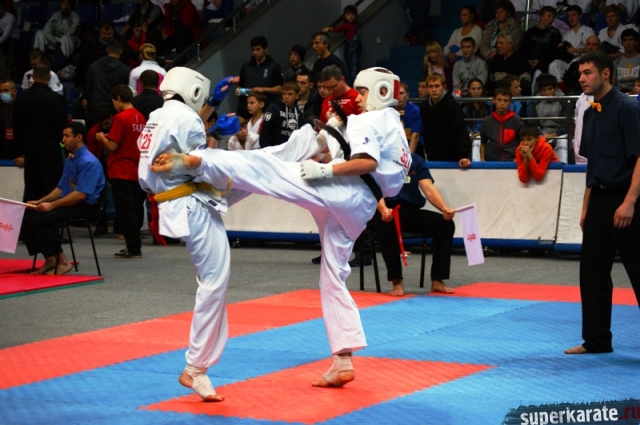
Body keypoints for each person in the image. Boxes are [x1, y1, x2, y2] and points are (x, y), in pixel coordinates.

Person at [150, 67, 411, 391]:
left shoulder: (369, 119)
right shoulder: (397, 128)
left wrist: (325, 170)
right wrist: (330, 138)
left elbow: (367, 163)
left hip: (342, 190)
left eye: (362, 92)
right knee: (333, 275)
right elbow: (378, 173)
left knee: (267, 168)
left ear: (381, 92)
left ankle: (200, 162)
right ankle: (343, 359)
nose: (358, 98)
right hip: (361, 207)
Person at [564, 50, 640, 355]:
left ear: (606, 73)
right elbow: (592, 163)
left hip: (628, 196)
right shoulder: (589, 112)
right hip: (599, 197)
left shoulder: (628, 108)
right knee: (592, 272)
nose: (581, 78)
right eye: (580, 73)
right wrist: (586, 206)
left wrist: (630, 201)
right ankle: (596, 340)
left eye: (588, 73)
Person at [21, 121, 105, 275]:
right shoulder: (70, 159)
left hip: (85, 207)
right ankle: (50, 258)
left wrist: (52, 205)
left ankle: (63, 262)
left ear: (78, 137)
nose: (63, 140)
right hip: (72, 203)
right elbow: (61, 189)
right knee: (27, 215)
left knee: (40, 220)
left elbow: (80, 194)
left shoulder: (89, 162)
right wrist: (41, 201)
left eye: (67, 136)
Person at [372, 152, 456, 296]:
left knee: (444, 224)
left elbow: (428, 188)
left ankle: (437, 280)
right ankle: (396, 281)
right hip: (383, 210)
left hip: (410, 210)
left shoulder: (415, 160)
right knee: (386, 226)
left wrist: (444, 208)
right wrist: (384, 210)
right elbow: (373, 190)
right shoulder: (376, 159)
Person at [95, 84, 147, 259]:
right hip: (137, 168)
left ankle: (133, 247)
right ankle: (135, 244)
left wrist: (102, 138)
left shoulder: (120, 117)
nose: (114, 106)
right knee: (134, 208)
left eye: (114, 102)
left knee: (125, 211)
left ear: (118, 98)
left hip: (121, 169)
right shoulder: (141, 117)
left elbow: (113, 145)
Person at [14, 64, 68, 203]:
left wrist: (19, 152)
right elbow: (61, 126)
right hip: (50, 147)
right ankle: (50, 215)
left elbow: (17, 127)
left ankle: (30, 215)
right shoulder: (55, 98)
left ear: (32, 77)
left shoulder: (22, 98)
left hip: (29, 146)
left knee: (32, 186)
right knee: (52, 185)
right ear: (49, 77)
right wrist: (64, 147)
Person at [420, 74, 472, 168]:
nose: (434, 90)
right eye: (431, 86)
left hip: (453, 157)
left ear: (444, 87)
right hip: (433, 156)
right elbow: (426, 132)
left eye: (437, 86)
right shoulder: (424, 106)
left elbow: (460, 131)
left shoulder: (452, 105)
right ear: (427, 88)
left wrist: (464, 155)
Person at [236, 36, 283, 119]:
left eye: (258, 49)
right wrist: (240, 91)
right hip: (245, 110)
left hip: (265, 110)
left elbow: (280, 89)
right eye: (253, 49)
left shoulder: (273, 66)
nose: (255, 52)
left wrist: (263, 89)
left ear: (265, 49)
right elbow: (239, 86)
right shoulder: (246, 67)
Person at [84, 40, 131, 123]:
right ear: (121, 51)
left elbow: (88, 89)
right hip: (115, 109)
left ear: (107, 50)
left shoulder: (94, 66)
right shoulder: (125, 70)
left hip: (96, 107)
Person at [530, 73, 570, 162]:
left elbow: (566, 124)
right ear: (540, 91)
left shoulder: (564, 101)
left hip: (560, 133)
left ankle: (562, 166)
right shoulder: (536, 102)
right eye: (544, 90)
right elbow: (533, 123)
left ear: (556, 88)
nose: (547, 93)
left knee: (563, 142)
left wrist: (555, 134)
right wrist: (541, 134)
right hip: (541, 133)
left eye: (550, 89)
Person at [480, 85, 524, 161]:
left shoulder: (516, 120)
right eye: (499, 100)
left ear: (510, 102)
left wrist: (517, 158)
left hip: (512, 161)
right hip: (491, 161)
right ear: (493, 100)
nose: (502, 103)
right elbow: (483, 143)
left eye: (505, 100)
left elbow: (523, 142)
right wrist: (482, 160)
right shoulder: (487, 121)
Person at [323, 4, 361, 85]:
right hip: (350, 47)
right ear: (344, 16)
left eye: (352, 14)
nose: (350, 16)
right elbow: (337, 29)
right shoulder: (345, 25)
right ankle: (353, 84)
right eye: (348, 14)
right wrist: (329, 28)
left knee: (355, 67)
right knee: (352, 68)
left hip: (356, 47)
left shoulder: (355, 24)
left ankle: (356, 83)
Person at [259, 80, 301, 147]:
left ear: (297, 96)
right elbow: (264, 133)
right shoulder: (273, 109)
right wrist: (267, 149)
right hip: (274, 148)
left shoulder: (298, 112)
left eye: (290, 94)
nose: (286, 97)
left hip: (292, 149)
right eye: (284, 94)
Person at [520, 6, 562, 73]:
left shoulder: (555, 33)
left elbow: (554, 52)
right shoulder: (530, 32)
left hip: (545, 63)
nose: (551, 19)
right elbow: (523, 49)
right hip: (528, 62)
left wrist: (539, 60)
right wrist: (528, 61)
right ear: (541, 16)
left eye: (553, 17)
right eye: (549, 16)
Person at [463, 78, 489, 162]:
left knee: (477, 141)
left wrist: (479, 133)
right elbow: (460, 124)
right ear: (469, 90)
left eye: (479, 88)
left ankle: (476, 165)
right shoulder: (462, 105)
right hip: (467, 133)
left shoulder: (489, 105)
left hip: (483, 134)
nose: (476, 91)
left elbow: (490, 124)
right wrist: (469, 133)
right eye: (473, 89)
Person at [396, 82, 422, 155]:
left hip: (412, 148)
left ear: (407, 95)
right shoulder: (387, 111)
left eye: (401, 93)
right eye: (396, 94)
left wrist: (409, 156)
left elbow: (415, 135)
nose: (398, 97)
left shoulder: (415, 111)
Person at [0, 79, 17, 161]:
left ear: (14, 91)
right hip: (2, 145)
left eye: (6, 90)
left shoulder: (22, 105)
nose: (3, 93)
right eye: (0, 91)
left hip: (18, 146)